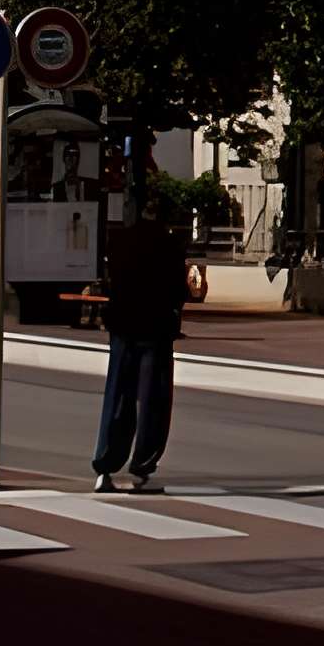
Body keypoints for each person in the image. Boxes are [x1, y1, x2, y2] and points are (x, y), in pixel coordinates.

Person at [90, 208, 189, 494]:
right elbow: (178, 290)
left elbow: (111, 279)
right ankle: (142, 465)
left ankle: (106, 462)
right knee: (153, 401)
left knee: (118, 396)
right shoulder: (170, 244)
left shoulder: (119, 240)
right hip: (156, 326)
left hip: (124, 324)